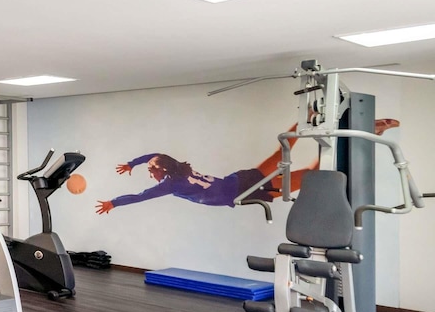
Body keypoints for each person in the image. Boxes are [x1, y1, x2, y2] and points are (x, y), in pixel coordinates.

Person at [94, 119, 399, 215]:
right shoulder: (176, 170)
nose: (150, 171)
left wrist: (113, 202)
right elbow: (156, 154)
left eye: (151, 169)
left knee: (313, 173)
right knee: (287, 153)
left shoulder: (171, 183)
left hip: (245, 190)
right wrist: (133, 163)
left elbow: (141, 196)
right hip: (238, 180)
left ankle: (362, 132)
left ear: (163, 171)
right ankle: (308, 120)